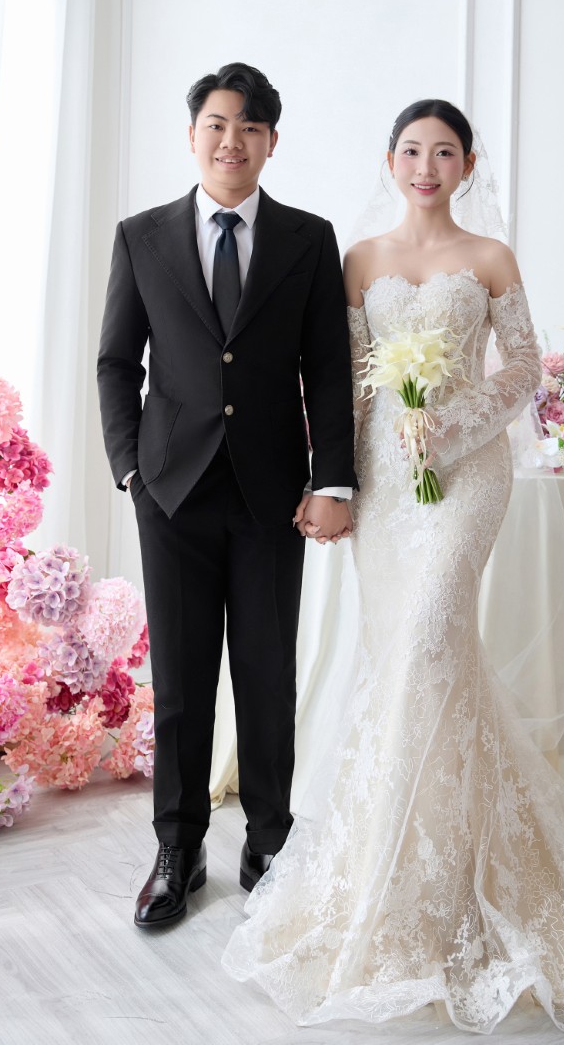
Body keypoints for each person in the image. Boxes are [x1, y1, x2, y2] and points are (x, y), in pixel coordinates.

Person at [223, 99, 564, 1031]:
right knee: (411, 660)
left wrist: (451, 424)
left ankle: (451, 871)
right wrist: (335, 479)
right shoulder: (359, 259)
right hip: (386, 477)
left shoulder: (490, 257)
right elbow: (342, 378)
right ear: (391, 160)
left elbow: (526, 367)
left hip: (468, 475)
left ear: (466, 166)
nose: (427, 165)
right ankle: (414, 856)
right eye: (413, 150)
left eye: (445, 152)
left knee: (429, 638)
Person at [97, 62, 356, 929]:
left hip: (273, 496)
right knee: (180, 683)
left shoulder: (308, 239)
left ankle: (269, 843)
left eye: (249, 127)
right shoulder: (141, 236)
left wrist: (331, 479)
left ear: (271, 141)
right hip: (171, 493)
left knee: (267, 675)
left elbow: (328, 369)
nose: (231, 140)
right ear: (192, 134)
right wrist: (131, 469)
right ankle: (178, 850)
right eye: (216, 123)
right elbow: (116, 362)